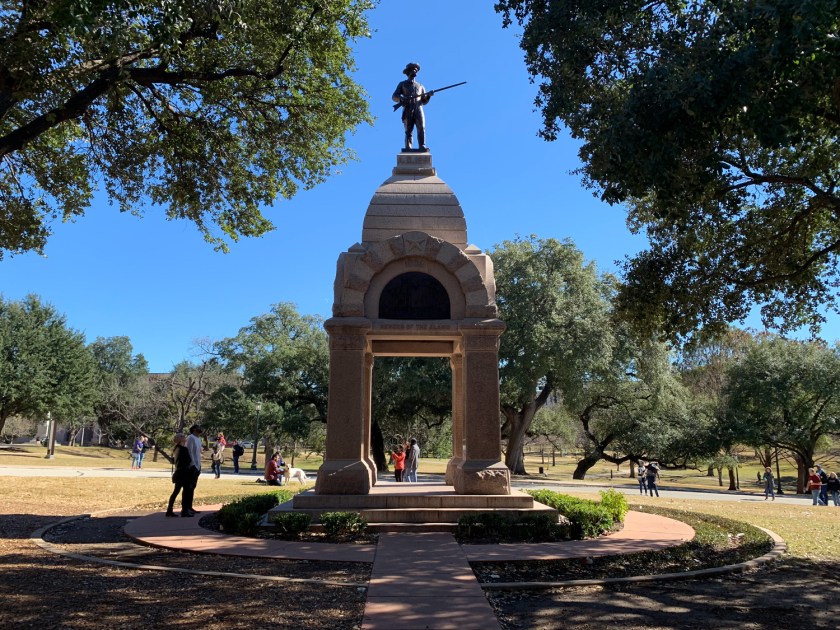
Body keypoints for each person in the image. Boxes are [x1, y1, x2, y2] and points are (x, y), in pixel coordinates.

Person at [392, 62, 432, 151]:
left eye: (416, 70)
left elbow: (424, 101)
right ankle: (408, 147)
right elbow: (394, 96)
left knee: (421, 128)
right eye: (413, 70)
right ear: (408, 71)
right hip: (408, 108)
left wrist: (428, 95)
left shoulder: (420, 86)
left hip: (418, 108)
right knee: (408, 130)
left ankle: (422, 146)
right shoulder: (402, 84)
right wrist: (402, 98)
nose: (415, 71)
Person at [166, 434, 191, 517]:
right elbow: (188, 460)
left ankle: (169, 509)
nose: (185, 438)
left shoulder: (176, 449)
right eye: (183, 437)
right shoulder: (184, 449)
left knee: (176, 491)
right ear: (180, 440)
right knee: (186, 491)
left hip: (178, 472)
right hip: (185, 472)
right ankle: (184, 511)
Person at [181, 424, 204, 517]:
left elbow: (198, 453)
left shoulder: (198, 439)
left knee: (192, 488)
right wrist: (193, 464)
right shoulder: (190, 438)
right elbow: (189, 452)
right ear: (194, 429)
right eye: (198, 428)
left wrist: (199, 466)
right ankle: (185, 509)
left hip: (198, 466)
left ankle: (189, 507)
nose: (200, 429)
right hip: (192, 467)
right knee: (187, 488)